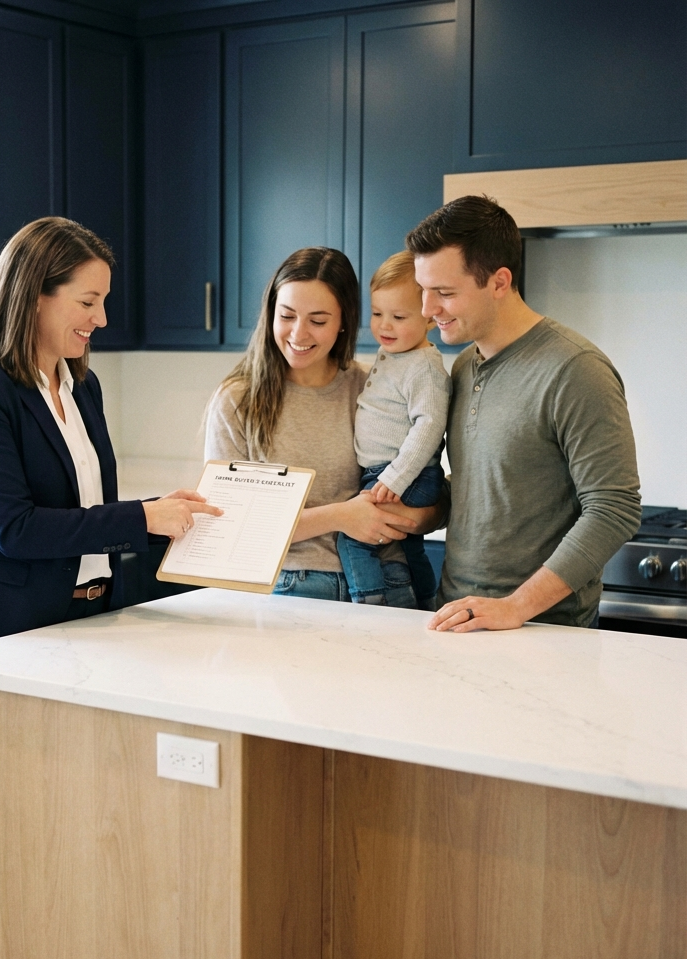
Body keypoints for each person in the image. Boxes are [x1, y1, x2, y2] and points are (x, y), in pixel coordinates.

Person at [0, 217, 221, 650]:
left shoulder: (83, 386)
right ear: (34, 296)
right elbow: (16, 529)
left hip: (95, 614)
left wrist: (162, 512)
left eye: (103, 302)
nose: (101, 319)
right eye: (88, 302)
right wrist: (143, 516)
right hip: (6, 629)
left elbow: (84, 512)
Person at [407, 195, 641, 632]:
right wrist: (420, 513)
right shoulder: (464, 366)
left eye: (445, 293)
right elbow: (486, 484)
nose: (426, 309)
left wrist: (515, 607)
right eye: (423, 289)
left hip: (547, 630)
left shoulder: (576, 370)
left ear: (499, 282)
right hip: (457, 617)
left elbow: (614, 509)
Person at [205, 247, 442, 603]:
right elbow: (228, 521)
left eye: (318, 321)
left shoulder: (373, 386)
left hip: (391, 579)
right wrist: (341, 517)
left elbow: (436, 494)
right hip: (292, 587)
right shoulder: (238, 401)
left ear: (344, 321)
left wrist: (415, 518)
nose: (298, 333)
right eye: (287, 316)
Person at [336, 252, 451, 609]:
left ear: (429, 317)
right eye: (377, 314)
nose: (385, 326)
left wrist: (395, 478)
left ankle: (368, 601)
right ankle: (426, 599)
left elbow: (429, 426)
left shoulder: (423, 367)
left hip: (406, 476)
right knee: (409, 546)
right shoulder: (395, 353)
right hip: (391, 473)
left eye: (399, 317)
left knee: (352, 538)